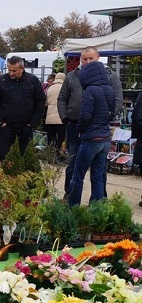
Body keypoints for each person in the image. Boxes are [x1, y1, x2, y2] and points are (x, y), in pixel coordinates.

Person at [58, 46, 123, 199]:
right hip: (75, 125)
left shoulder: (110, 76)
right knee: (73, 163)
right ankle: (70, 196)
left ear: (98, 57)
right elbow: (62, 98)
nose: (87, 62)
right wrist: (66, 119)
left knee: (99, 169)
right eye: (84, 59)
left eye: (90, 58)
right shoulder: (72, 76)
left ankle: (99, 201)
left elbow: (118, 100)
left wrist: (106, 117)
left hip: (96, 127)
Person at [67, 61, 115, 206]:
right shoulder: (109, 89)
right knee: (98, 176)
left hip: (91, 138)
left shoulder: (91, 90)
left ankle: (73, 208)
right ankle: (97, 210)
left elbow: (85, 115)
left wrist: (79, 130)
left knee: (78, 176)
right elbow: (112, 113)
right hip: (105, 138)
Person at [0, 56, 45, 161]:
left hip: (26, 127)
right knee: (6, 159)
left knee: (25, 157)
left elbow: (40, 103)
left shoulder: (32, 81)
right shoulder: (1, 82)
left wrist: (32, 123)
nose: (11, 73)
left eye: (14, 71)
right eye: (9, 70)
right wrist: (1, 123)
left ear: (22, 68)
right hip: (6, 128)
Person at [45, 72, 66, 154]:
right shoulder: (64, 88)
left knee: (51, 137)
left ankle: (49, 154)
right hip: (61, 118)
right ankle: (56, 153)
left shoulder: (50, 88)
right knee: (60, 137)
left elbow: (46, 103)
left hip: (49, 118)